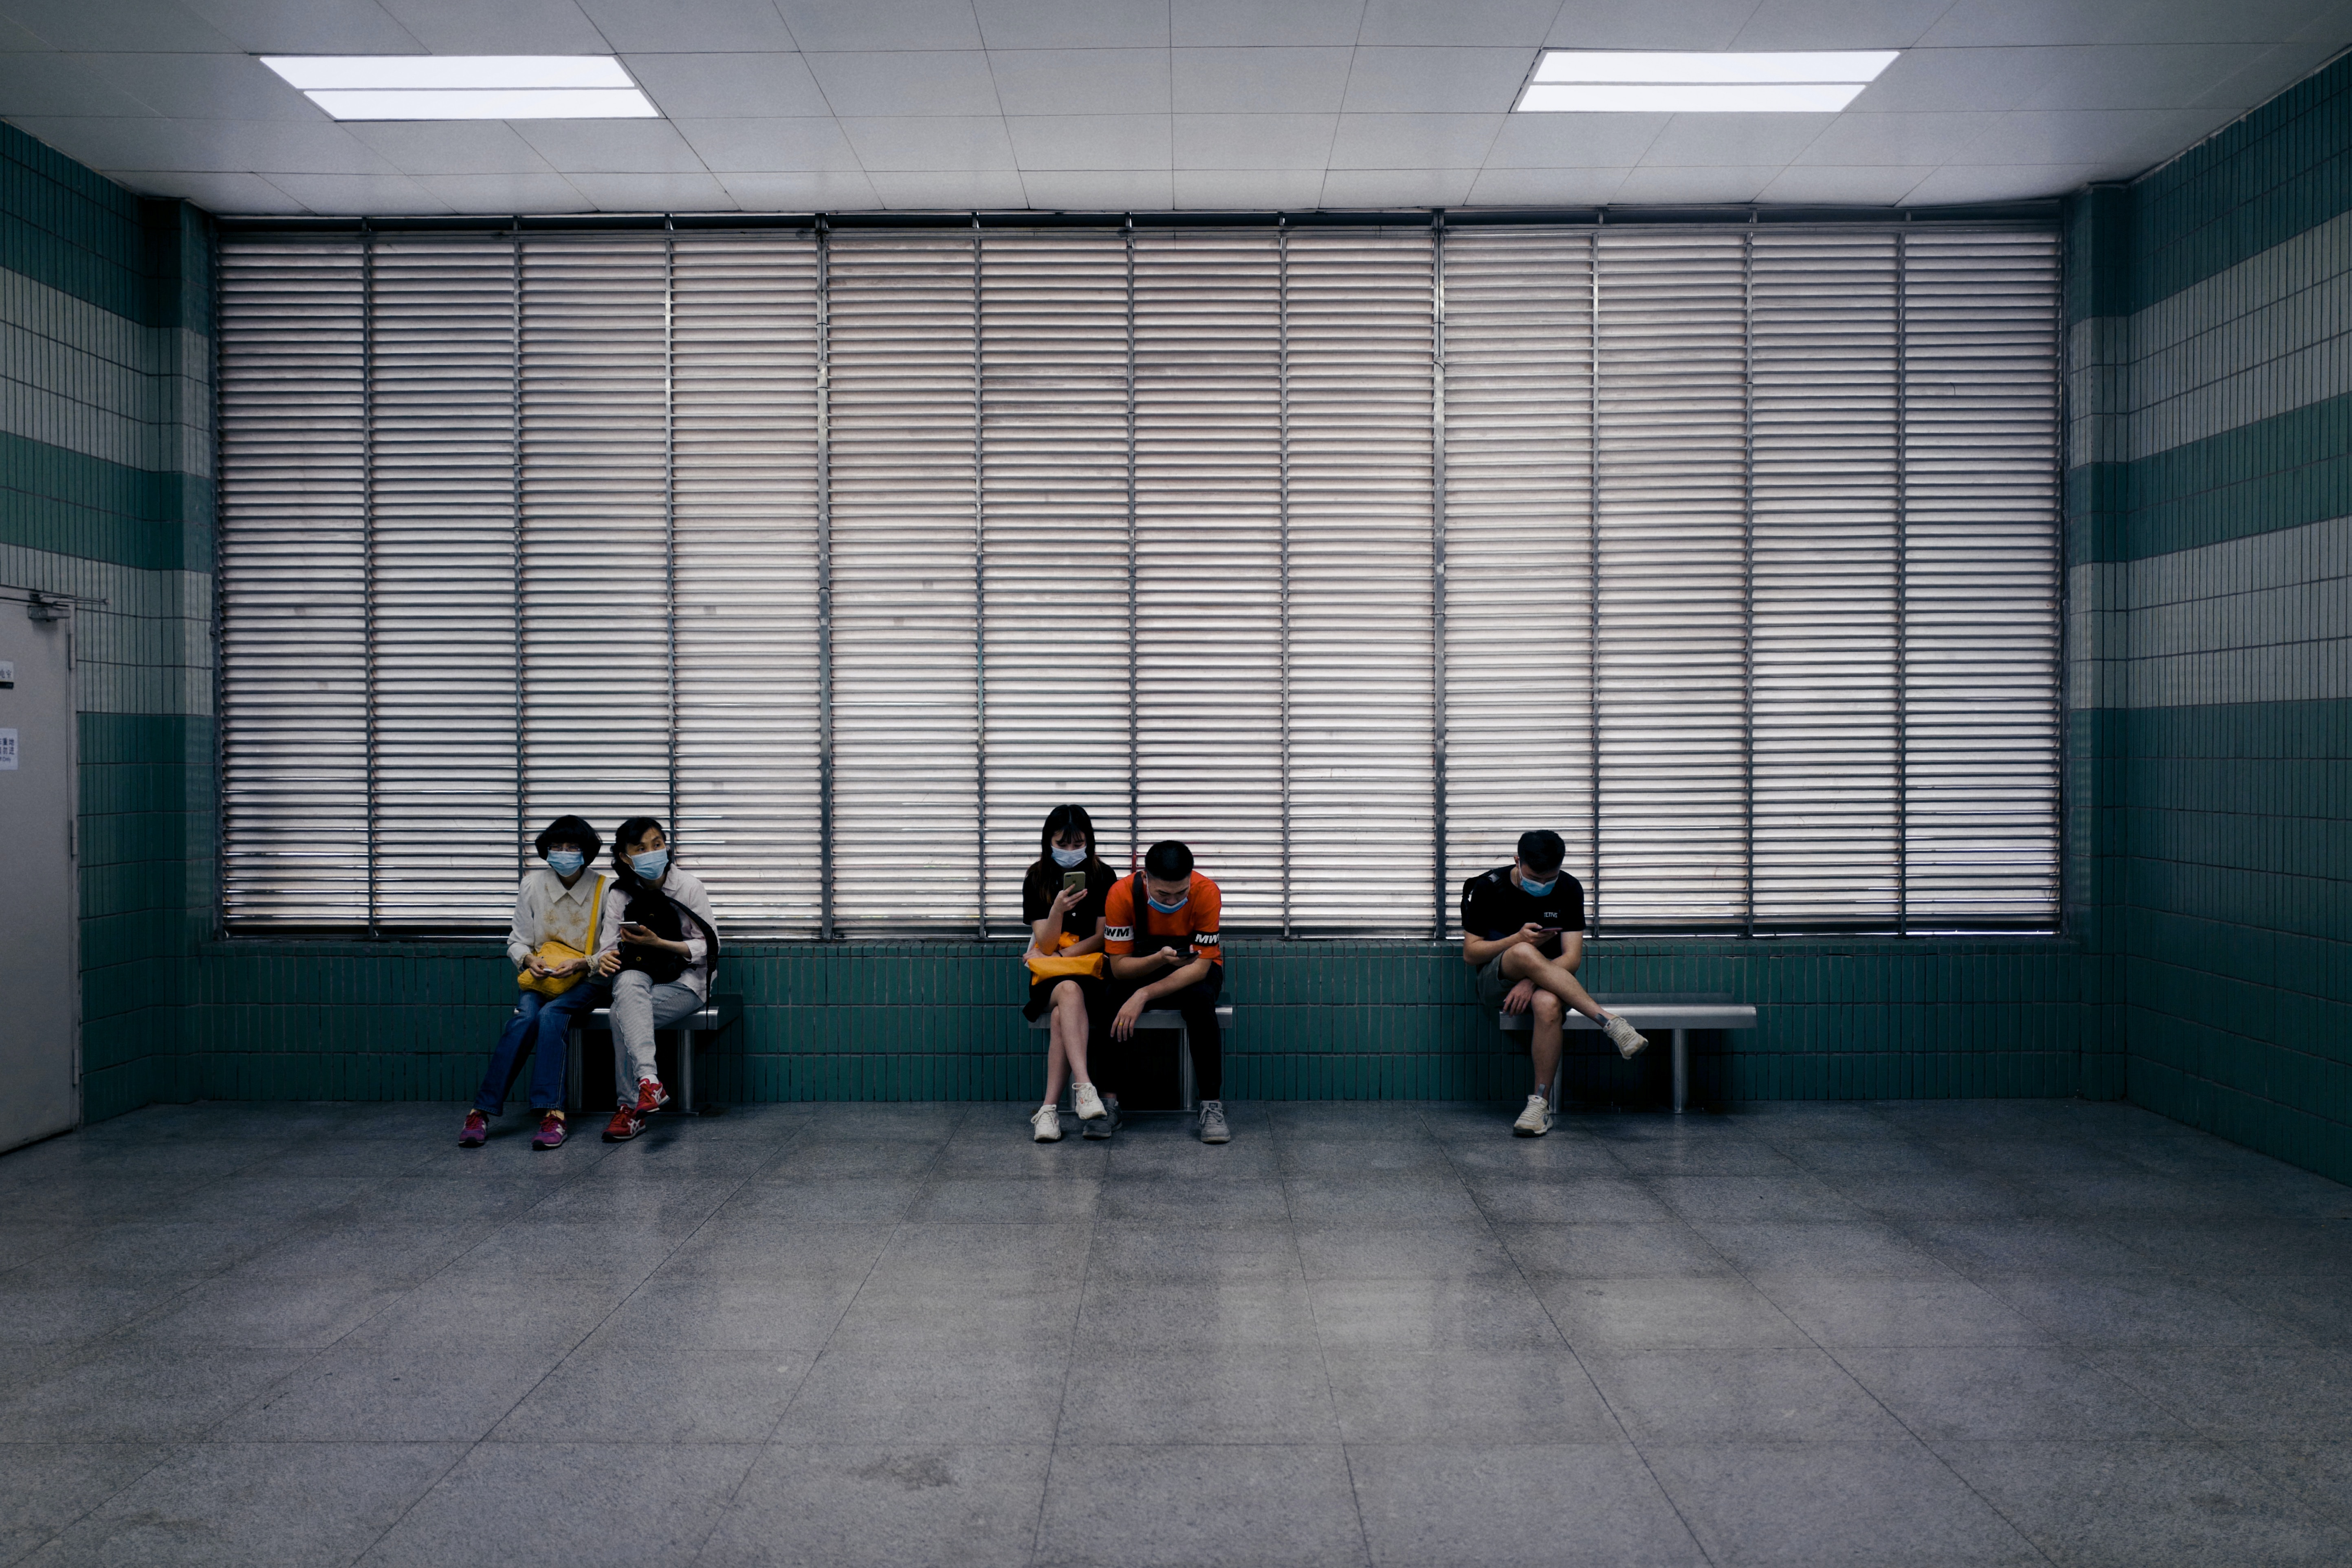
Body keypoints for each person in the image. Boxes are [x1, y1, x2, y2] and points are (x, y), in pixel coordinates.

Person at [1463, 829, 1648, 1137]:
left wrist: (1531, 982)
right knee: (1523, 950)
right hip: (1495, 982)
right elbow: (1471, 953)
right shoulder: (1486, 887)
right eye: (1536, 876)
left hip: (1549, 984)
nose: (1544, 884)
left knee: (1548, 1003)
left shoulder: (1568, 888)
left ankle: (1538, 1106)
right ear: (1517, 861)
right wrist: (1517, 940)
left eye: (1550, 877)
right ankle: (1610, 1023)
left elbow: (1572, 958)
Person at [460, 816, 610, 1151]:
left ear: (587, 852)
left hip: (589, 978)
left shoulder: (606, 889)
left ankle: (552, 1113)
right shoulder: (532, 885)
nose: (564, 853)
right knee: (524, 1018)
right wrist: (530, 960)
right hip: (543, 978)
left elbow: (614, 949)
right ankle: (480, 1112)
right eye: (556, 846)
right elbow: (518, 940)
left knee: (551, 1015)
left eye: (573, 847)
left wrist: (582, 963)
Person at [593, 816, 720, 1143]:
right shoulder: (619, 893)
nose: (651, 852)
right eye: (640, 848)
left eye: (657, 844)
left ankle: (629, 1108)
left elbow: (710, 947)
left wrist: (659, 944)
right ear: (625, 857)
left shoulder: (689, 886)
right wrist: (604, 959)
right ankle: (649, 1081)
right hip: (640, 979)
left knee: (623, 1014)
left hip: (688, 983)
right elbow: (607, 948)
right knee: (627, 982)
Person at [1104, 839, 1230, 1144]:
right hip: (1143, 963)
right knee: (1109, 998)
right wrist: (1159, 959)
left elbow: (1201, 968)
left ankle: (1211, 1105)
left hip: (1194, 968)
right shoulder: (1121, 894)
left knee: (1201, 1002)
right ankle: (1107, 1103)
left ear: (1191, 879)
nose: (1173, 901)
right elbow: (1119, 967)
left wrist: (1144, 994)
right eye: (1163, 894)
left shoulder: (1206, 892)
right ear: (1145, 878)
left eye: (1180, 892)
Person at [1021, 805, 1116, 1142]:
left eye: (1079, 844)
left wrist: (1063, 954)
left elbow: (1103, 937)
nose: (1071, 851)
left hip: (1088, 974)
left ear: (1090, 842)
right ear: (1049, 842)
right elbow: (1044, 945)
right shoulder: (1035, 878)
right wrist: (1057, 909)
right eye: (1063, 844)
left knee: (1067, 1006)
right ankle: (1085, 1089)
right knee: (1066, 991)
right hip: (1048, 979)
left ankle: (1048, 1112)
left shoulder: (1105, 876)